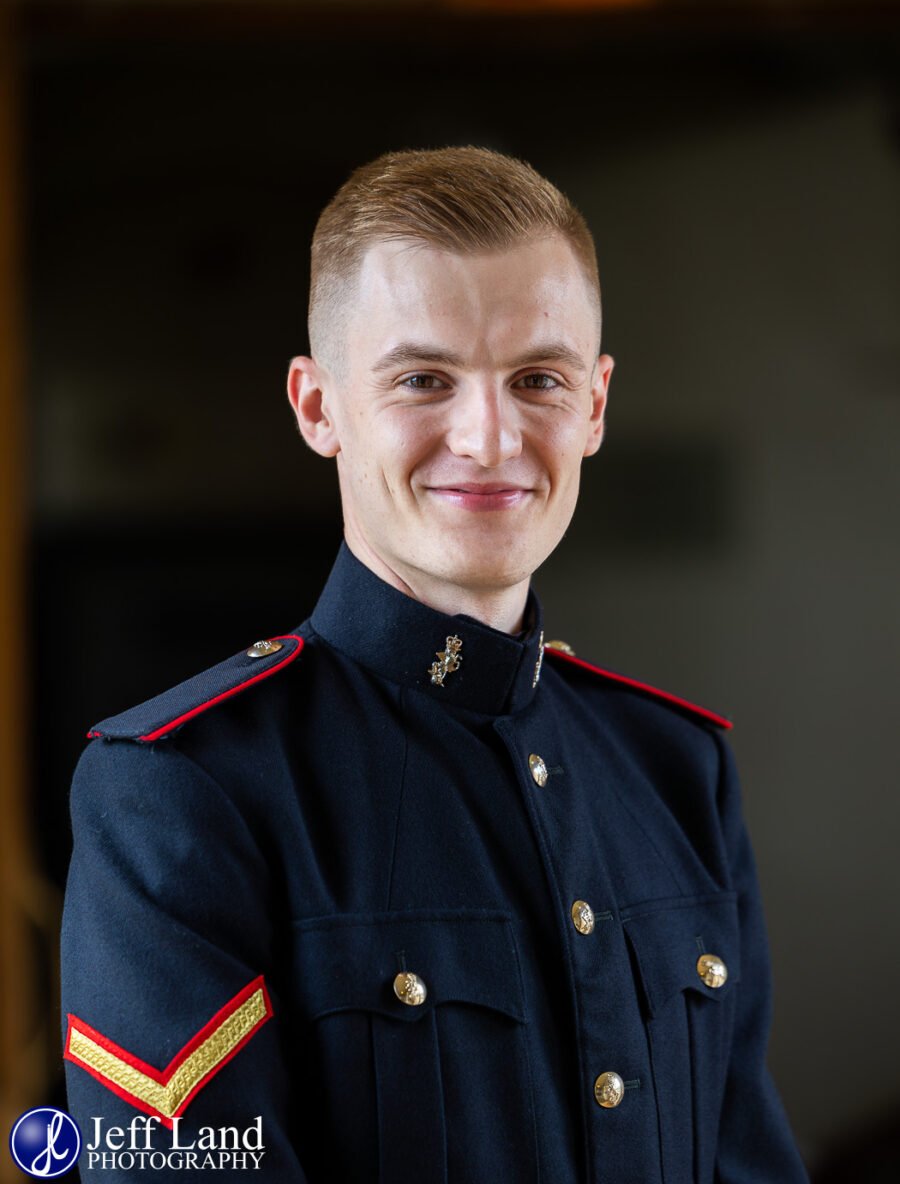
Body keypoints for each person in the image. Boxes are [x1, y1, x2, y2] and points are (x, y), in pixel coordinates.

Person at [61, 146, 808, 1183]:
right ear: (316, 406)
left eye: (538, 379)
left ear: (594, 405)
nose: (491, 436)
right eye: (423, 378)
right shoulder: (182, 790)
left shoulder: (677, 769)